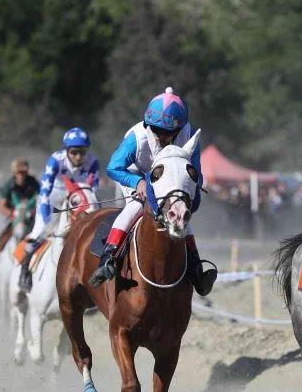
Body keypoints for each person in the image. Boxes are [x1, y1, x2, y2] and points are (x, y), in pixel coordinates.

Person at [89, 87, 217, 295]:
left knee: (180, 214)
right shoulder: (136, 138)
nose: (160, 136)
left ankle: (197, 270)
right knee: (135, 208)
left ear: (179, 129)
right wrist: (138, 182)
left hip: (167, 180)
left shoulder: (189, 136)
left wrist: (187, 190)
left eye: (166, 133)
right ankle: (108, 258)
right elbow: (113, 167)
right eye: (156, 130)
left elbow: (197, 174)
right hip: (136, 174)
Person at [19, 128, 100, 292]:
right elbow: (44, 191)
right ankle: (24, 272)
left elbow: (92, 190)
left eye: (82, 152)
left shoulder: (93, 162)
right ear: (66, 151)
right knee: (40, 231)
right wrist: (45, 214)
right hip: (53, 200)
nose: (79, 157)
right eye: (74, 152)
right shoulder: (56, 160)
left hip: (77, 199)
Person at [0, 159, 40, 272]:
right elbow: (1, 206)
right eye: (19, 172)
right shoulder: (8, 185)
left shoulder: (34, 183)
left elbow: (41, 199)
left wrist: (33, 211)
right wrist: (12, 213)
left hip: (30, 215)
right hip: (11, 215)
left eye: (24, 172)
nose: (22, 175)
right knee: (2, 233)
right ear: (14, 173)